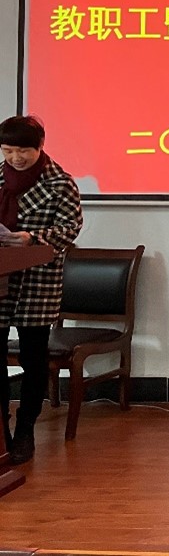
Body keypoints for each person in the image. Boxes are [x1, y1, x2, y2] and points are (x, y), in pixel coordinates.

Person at [0, 115, 83, 465]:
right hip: (1, 278)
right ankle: (0, 431)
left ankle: (25, 430)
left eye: (23, 150)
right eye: (8, 150)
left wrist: (31, 238)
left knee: (34, 359)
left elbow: (70, 228)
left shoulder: (60, 182)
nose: (15, 158)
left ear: (40, 146)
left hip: (38, 280)